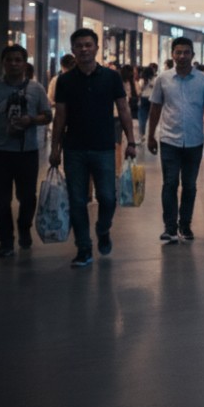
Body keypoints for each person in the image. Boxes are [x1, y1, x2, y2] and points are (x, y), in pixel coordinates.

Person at [49, 28, 137, 267]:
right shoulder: (65, 81)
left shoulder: (111, 78)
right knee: (78, 201)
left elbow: (124, 109)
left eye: (89, 45)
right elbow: (60, 117)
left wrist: (131, 140)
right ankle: (84, 248)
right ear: (73, 50)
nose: (84, 49)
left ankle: (103, 228)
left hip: (104, 148)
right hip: (74, 148)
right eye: (79, 45)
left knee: (108, 198)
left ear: (97, 48)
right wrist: (55, 148)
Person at [0, 45, 52, 257]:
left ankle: (24, 227)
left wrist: (31, 120)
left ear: (24, 63)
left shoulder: (36, 89)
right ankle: (5, 240)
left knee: (27, 197)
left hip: (27, 152)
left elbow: (47, 115)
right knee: (1, 200)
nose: (13, 64)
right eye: (9, 60)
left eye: (18, 60)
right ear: (3, 63)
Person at [148, 38, 204, 243]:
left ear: (192, 55)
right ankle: (169, 227)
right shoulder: (163, 79)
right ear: (172, 54)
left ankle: (185, 225)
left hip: (195, 141)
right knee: (170, 183)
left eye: (186, 52)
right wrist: (151, 135)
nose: (182, 56)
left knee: (189, 185)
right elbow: (155, 108)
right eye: (178, 52)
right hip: (169, 139)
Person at [137, 64, 157, 142]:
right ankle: (152, 134)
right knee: (152, 116)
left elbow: (139, 90)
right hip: (152, 98)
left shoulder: (142, 80)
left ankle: (142, 134)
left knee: (142, 117)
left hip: (144, 98)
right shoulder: (155, 80)